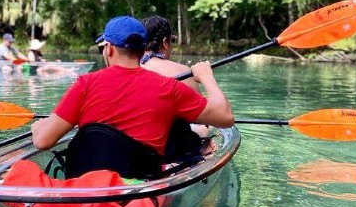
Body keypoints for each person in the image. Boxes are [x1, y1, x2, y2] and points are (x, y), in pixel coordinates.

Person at [31, 16, 233, 178]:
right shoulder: (170, 88)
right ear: (141, 49)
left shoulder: (84, 84)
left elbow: (42, 141)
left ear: (108, 48)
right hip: (137, 189)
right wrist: (207, 77)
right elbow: (225, 118)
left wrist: (38, 127)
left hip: (84, 186)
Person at [141, 15, 209, 157]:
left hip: (132, 147)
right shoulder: (182, 71)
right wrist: (206, 77)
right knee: (203, 128)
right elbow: (202, 116)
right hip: (169, 150)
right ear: (165, 42)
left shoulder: (124, 69)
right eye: (172, 41)